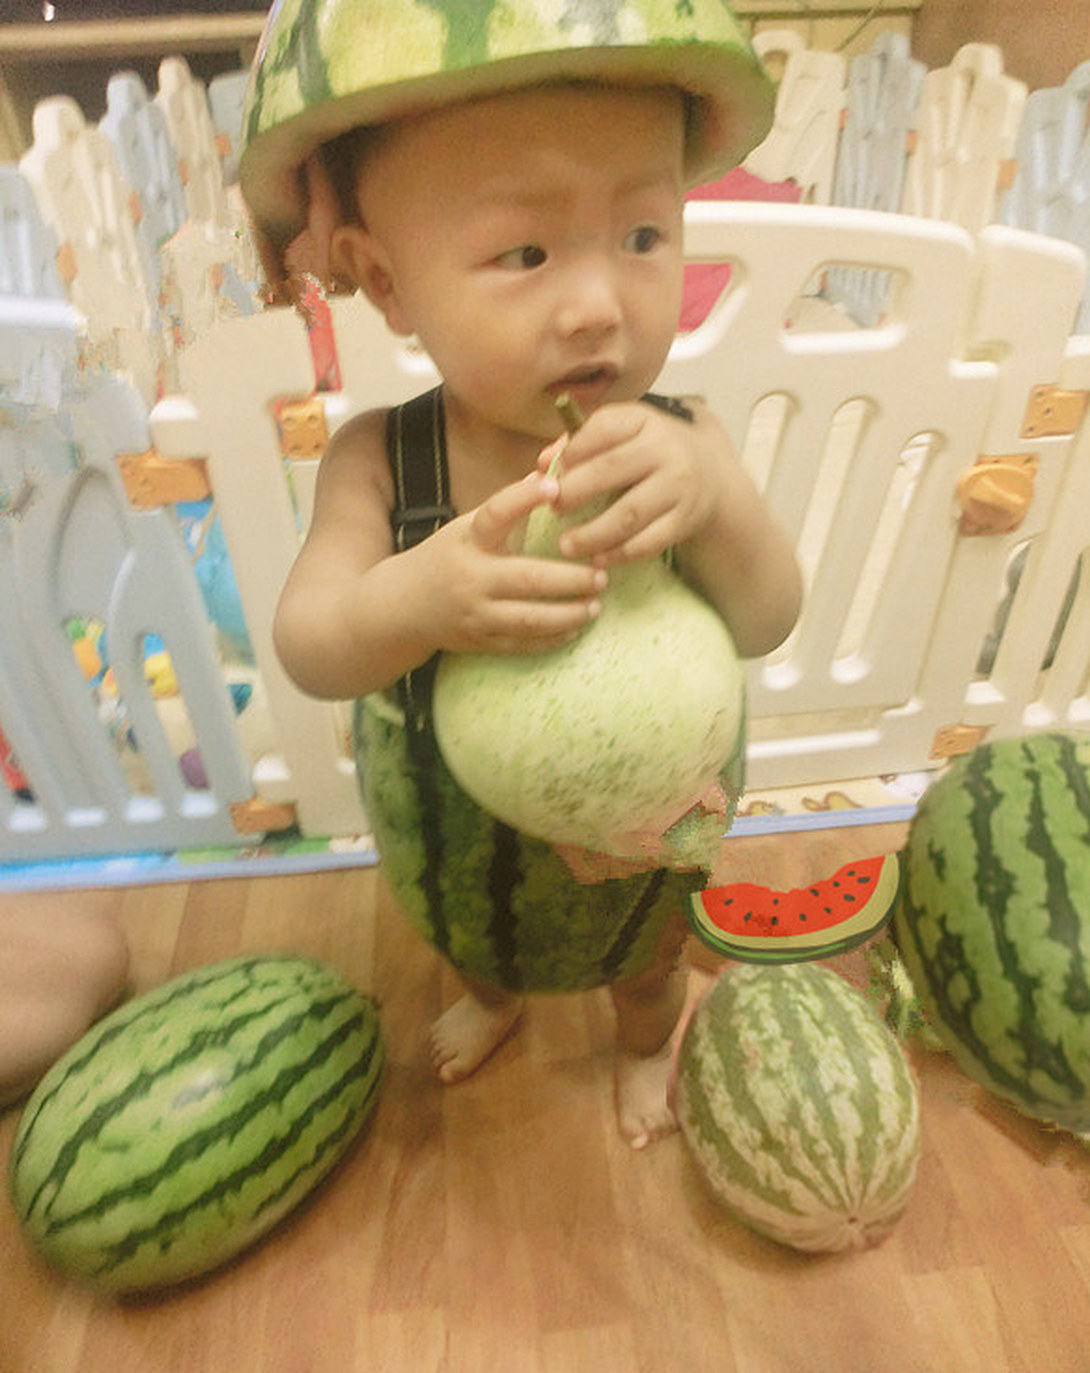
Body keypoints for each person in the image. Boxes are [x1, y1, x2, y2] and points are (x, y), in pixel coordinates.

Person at [239, 0, 802, 1149]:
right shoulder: (380, 464)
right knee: (474, 935)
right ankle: (492, 995)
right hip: (457, 832)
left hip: (649, 829)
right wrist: (417, 598)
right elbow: (308, 641)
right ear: (384, 282)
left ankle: (650, 1033)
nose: (600, 301)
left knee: (646, 956)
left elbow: (765, 619)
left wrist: (717, 495)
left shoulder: (681, 439)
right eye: (528, 252)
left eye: (644, 234)